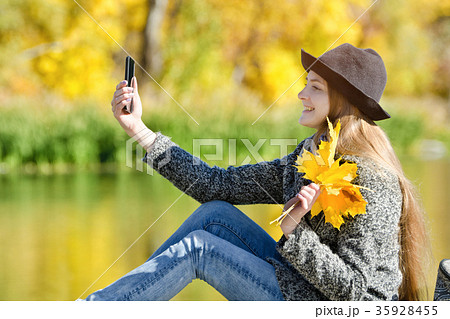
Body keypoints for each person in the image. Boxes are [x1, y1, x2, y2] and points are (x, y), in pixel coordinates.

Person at [84, 43, 430, 301]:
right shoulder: (307, 157)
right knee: (215, 215)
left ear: (344, 102)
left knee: (200, 249)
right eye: (305, 83)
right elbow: (214, 185)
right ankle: (111, 305)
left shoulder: (373, 180)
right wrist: (139, 130)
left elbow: (353, 291)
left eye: (315, 87)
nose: (301, 94)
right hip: (300, 287)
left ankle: (95, 310)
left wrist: (296, 232)